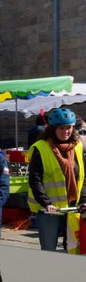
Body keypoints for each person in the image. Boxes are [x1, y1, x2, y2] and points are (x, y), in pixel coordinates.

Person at [27, 107, 86, 252]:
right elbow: (35, 179)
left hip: (72, 205)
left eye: (69, 127)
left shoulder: (77, 146)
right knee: (49, 248)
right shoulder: (40, 148)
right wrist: (46, 203)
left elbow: (83, 175)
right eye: (61, 128)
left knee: (72, 247)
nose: (65, 131)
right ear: (53, 128)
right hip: (49, 209)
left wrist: (83, 199)